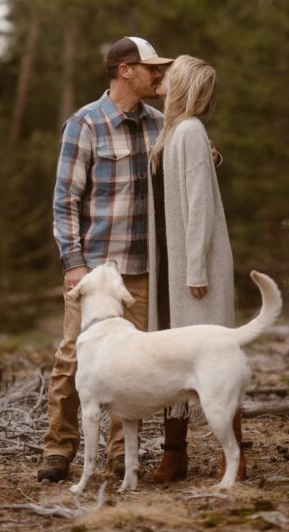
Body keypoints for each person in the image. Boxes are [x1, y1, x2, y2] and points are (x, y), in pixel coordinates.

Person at [37, 35, 172, 483]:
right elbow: (65, 200)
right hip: (95, 273)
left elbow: (190, 166)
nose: (160, 75)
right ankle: (58, 449)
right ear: (124, 70)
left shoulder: (161, 122)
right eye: (151, 67)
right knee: (72, 358)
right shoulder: (85, 124)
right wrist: (74, 263)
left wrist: (213, 156)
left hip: (145, 268)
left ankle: (120, 456)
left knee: (132, 365)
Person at [146, 54, 246, 484]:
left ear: (182, 82)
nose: (161, 77)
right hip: (171, 264)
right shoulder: (173, 130)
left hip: (193, 268)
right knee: (174, 362)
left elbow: (200, 204)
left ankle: (234, 462)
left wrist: (196, 270)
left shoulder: (188, 130)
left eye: (169, 73)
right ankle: (175, 457)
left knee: (214, 361)